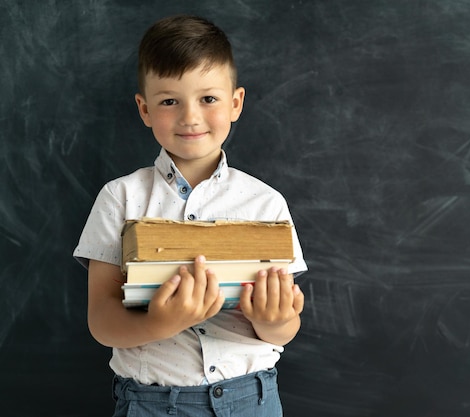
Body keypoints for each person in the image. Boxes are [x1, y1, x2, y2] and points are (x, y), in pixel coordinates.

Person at [73, 14, 307, 417]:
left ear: (235, 103)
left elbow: (285, 327)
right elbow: (101, 319)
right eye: (169, 101)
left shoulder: (267, 204)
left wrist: (275, 321)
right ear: (144, 109)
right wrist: (159, 323)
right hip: (152, 403)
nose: (190, 117)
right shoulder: (119, 198)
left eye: (208, 98)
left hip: (251, 400)